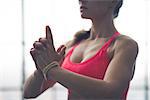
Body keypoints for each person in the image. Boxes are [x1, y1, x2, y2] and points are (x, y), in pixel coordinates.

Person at [23, 0, 139, 100]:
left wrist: (51, 69)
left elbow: (110, 93)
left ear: (113, 1)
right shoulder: (72, 45)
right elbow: (29, 93)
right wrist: (41, 69)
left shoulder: (124, 45)